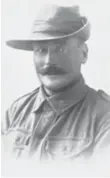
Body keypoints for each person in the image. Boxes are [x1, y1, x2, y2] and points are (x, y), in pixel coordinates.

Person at [2, 4, 110, 161]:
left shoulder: (104, 117)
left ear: (84, 54)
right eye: (41, 50)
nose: (49, 61)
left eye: (61, 49)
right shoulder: (15, 112)